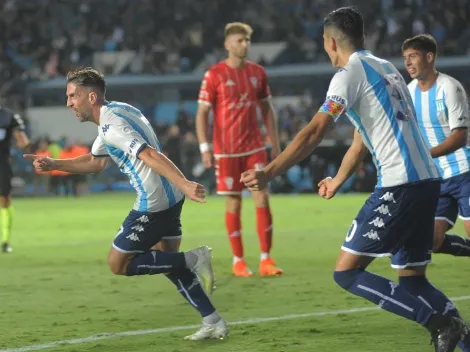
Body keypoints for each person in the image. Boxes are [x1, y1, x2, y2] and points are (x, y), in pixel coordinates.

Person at [241, 7, 468, 351]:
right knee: (412, 280)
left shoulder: (349, 74)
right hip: (428, 182)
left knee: (346, 272)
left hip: (400, 185)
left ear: (331, 41)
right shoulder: (386, 68)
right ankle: (461, 338)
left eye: (323, 42)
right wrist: (337, 181)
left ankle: (438, 324)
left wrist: (269, 172)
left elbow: (316, 130)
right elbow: (361, 140)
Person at [24, 67, 229, 340]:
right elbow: (96, 161)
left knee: (118, 263)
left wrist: (185, 183)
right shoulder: (118, 111)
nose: (69, 103)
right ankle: (213, 321)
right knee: (168, 262)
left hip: (153, 201)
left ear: (92, 97)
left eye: (73, 96)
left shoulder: (111, 126)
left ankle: (195, 257)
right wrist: (55, 164)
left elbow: (150, 154)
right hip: (171, 199)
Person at [196, 22, 282, 277]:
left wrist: (275, 145)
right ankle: (239, 261)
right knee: (233, 204)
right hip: (226, 151)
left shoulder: (258, 73)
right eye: (240, 40)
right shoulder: (214, 75)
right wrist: (205, 147)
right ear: (228, 44)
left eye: (247, 40)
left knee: (262, 197)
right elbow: (202, 113)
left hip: (254, 147)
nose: (245, 44)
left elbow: (267, 109)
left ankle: (266, 259)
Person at [403, 34, 470, 257]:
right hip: (438, 177)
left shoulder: (450, 88)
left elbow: (459, 136)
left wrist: (424, 155)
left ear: (429, 57)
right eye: (405, 58)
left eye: (413, 56)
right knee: (430, 239)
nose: (408, 63)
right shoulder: (409, 92)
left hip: (465, 171)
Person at [0, 106, 30, 253]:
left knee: (5, 200)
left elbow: (23, 141)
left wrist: (23, 143)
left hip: (2, 164)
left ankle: (5, 241)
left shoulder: (8, 116)